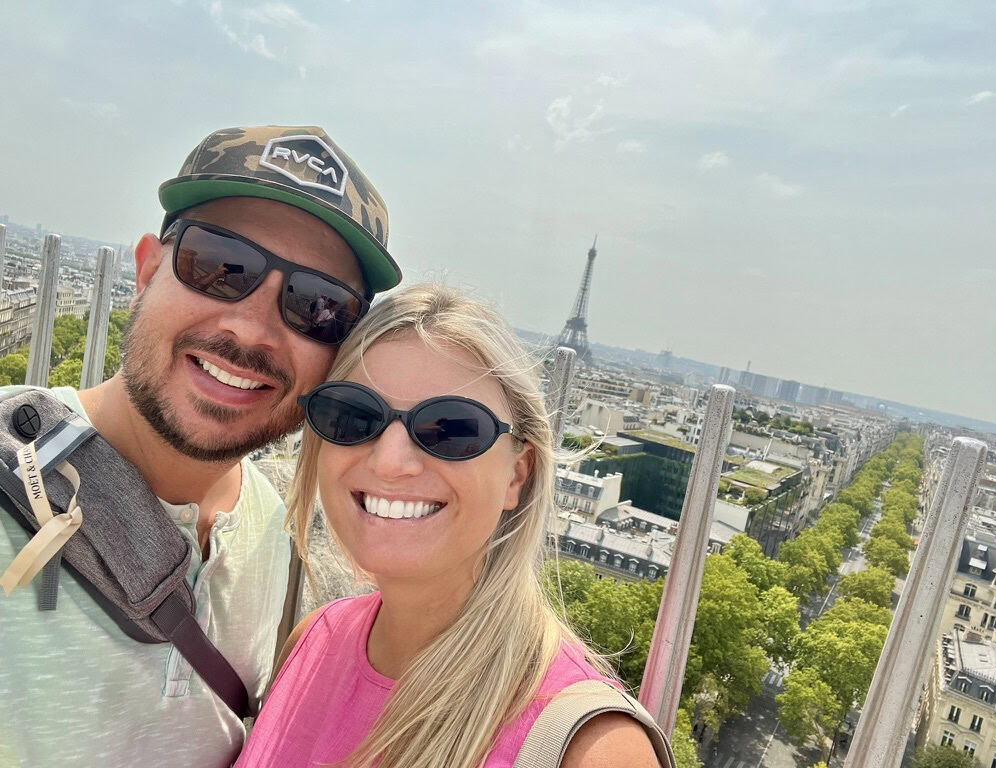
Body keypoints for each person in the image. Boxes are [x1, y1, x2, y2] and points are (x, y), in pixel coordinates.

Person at [0, 125, 401, 768]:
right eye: (220, 266)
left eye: (318, 308)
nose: (251, 327)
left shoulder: (277, 528)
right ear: (147, 269)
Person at [236, 284, 663, 768]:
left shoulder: (594, 751)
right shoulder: (313, 638)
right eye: (354, 415)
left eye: (453, 428)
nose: (392, 461)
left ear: (516, 475)